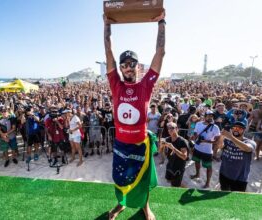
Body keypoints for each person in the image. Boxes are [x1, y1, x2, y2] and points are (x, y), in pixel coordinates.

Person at [104, 9, 165, 220]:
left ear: (138, 67)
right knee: (120, 178)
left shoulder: (145, 85)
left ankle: (145, 208)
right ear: (120, 68)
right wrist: (107, 26)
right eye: (124, 65)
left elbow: (160, 54)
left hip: (140, 144)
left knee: (142, 181)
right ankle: (120, 205)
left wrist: (161, 23)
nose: (128, 68)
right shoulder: (116, 85)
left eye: (132, 64)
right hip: (121, 144)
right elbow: (108, 54)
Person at [217, 122, 256, 192]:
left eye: (239, 128)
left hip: (240, 178)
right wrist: (222, 136)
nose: (236, 130)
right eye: (234, 128)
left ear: (244, 130)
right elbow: (220, 146)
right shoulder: (227, 140)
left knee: (236, 200)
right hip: (224, 174)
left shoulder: (249, 142)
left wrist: (231, 137)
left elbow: (247, 148)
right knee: (223, 194)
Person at [190, 110, 221, 188]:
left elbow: (217, 141)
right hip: (197, 147)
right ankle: (197, 174)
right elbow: (195, 132)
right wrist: (194, 136)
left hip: (207, 151)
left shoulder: (215, 127)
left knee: (208, 167)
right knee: (196, 162)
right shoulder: (198, 123)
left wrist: (205, 141)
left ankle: (207, 183)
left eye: (212, 116)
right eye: (208, 116)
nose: (210, 117)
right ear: (205, 116)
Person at [160, 122, 189, 187]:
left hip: (178, 167)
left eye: (172, 128)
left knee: (175, 185)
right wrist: (161, 146)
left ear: (177, 129)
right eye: (168, 128)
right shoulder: (167, 139)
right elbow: (160, 151)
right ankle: (182, 185)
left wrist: (173, 148)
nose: (170, 130)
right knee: (169, 180)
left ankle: (183, 187)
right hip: (170, 164)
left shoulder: (182, 141)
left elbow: (184, 157)